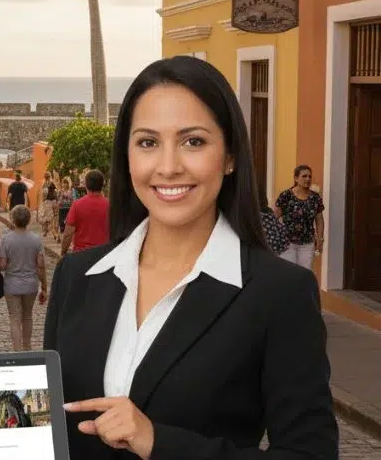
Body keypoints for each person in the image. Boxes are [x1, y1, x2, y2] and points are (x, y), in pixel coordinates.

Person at [44, 56, 337, 459]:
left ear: (230, 156)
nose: (168, 167)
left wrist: (157, 442)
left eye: (193, 141)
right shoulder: (76, 276)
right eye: (148, 142)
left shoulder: (280, 293)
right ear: (127, 156)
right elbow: (51, 433)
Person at [0, 205, 46, 351]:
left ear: (13, 219)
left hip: (12, 284)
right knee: (27, 316)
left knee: (14, 318)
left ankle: (17, 350)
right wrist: (44, 286)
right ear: (29, 220)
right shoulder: (36, 240)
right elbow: (41, 266)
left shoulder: (6, 240)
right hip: (31, 284)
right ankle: (27, 347)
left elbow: (3, 266)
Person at [275, 165, 325, 269]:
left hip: (307, 243)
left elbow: (319, 219)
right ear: (296, 178)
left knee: (305, 273)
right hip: (288, 243)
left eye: (309, 176)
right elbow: (275, 216)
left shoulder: (315, 198)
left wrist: (320, 239)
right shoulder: (286, 196)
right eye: (304, 176)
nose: (308, 179)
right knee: (290, 273)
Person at [61, 169, 109, 256]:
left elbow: (68, 234)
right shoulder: (111, 206)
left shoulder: (77, 205)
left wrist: (63, 253)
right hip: (103, 256)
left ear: (86, 185)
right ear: (102, 185)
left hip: (81, 256)